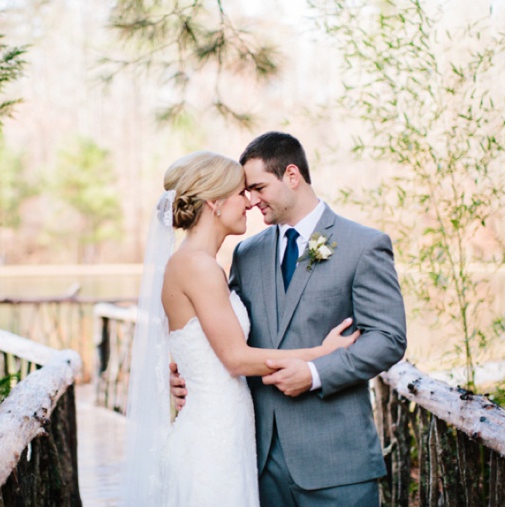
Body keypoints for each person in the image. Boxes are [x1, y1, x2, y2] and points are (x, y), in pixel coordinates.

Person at [171, 132, 407, 506]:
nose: (250, 200)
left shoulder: (363, 245)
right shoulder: (247, 253)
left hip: (336, 462)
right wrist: (185, 373)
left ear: (292, 176)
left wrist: (316, 373)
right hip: (259, 462)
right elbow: (222, 335)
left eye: (258, 187)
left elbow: (388, 338)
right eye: (245, 191)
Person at [121, 151, 361, 507]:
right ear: (214, 203)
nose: (249, 202)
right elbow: (235, 358)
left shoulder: (204, 264)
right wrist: (319, 354)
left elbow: (201, 348)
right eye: (239, 193)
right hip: (212, 440)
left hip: (226, 431)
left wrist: (181, 372)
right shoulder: (196, 266)